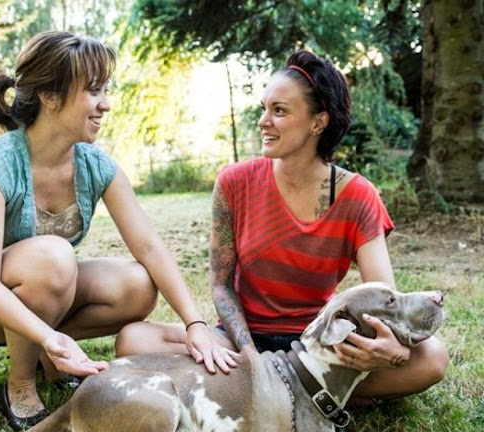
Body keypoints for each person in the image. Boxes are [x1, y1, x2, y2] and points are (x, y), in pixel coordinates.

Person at [0, 31, 236, 432]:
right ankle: (21, 382)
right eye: (94, 91)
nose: (106, 104)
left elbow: (149, 246)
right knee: (54, 258)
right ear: (50, 96)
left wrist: (195, 324)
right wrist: (50, 338)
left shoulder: (96, 165)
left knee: (137, 285)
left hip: (40, 288)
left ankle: (47, 357)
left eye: (105, 90)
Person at [116, 50, 449, 402]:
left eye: (279, 111)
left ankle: (266, 391)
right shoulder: (233, 182)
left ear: (317, 123)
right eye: (264, 108)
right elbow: (221, 285)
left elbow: (383, 296)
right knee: (134, 340)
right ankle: (297, 392)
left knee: (431, 358)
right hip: (242, 338)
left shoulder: (358, 195)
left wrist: (388, 349)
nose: (263, 121)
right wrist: (248, 354)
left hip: (320, 343)